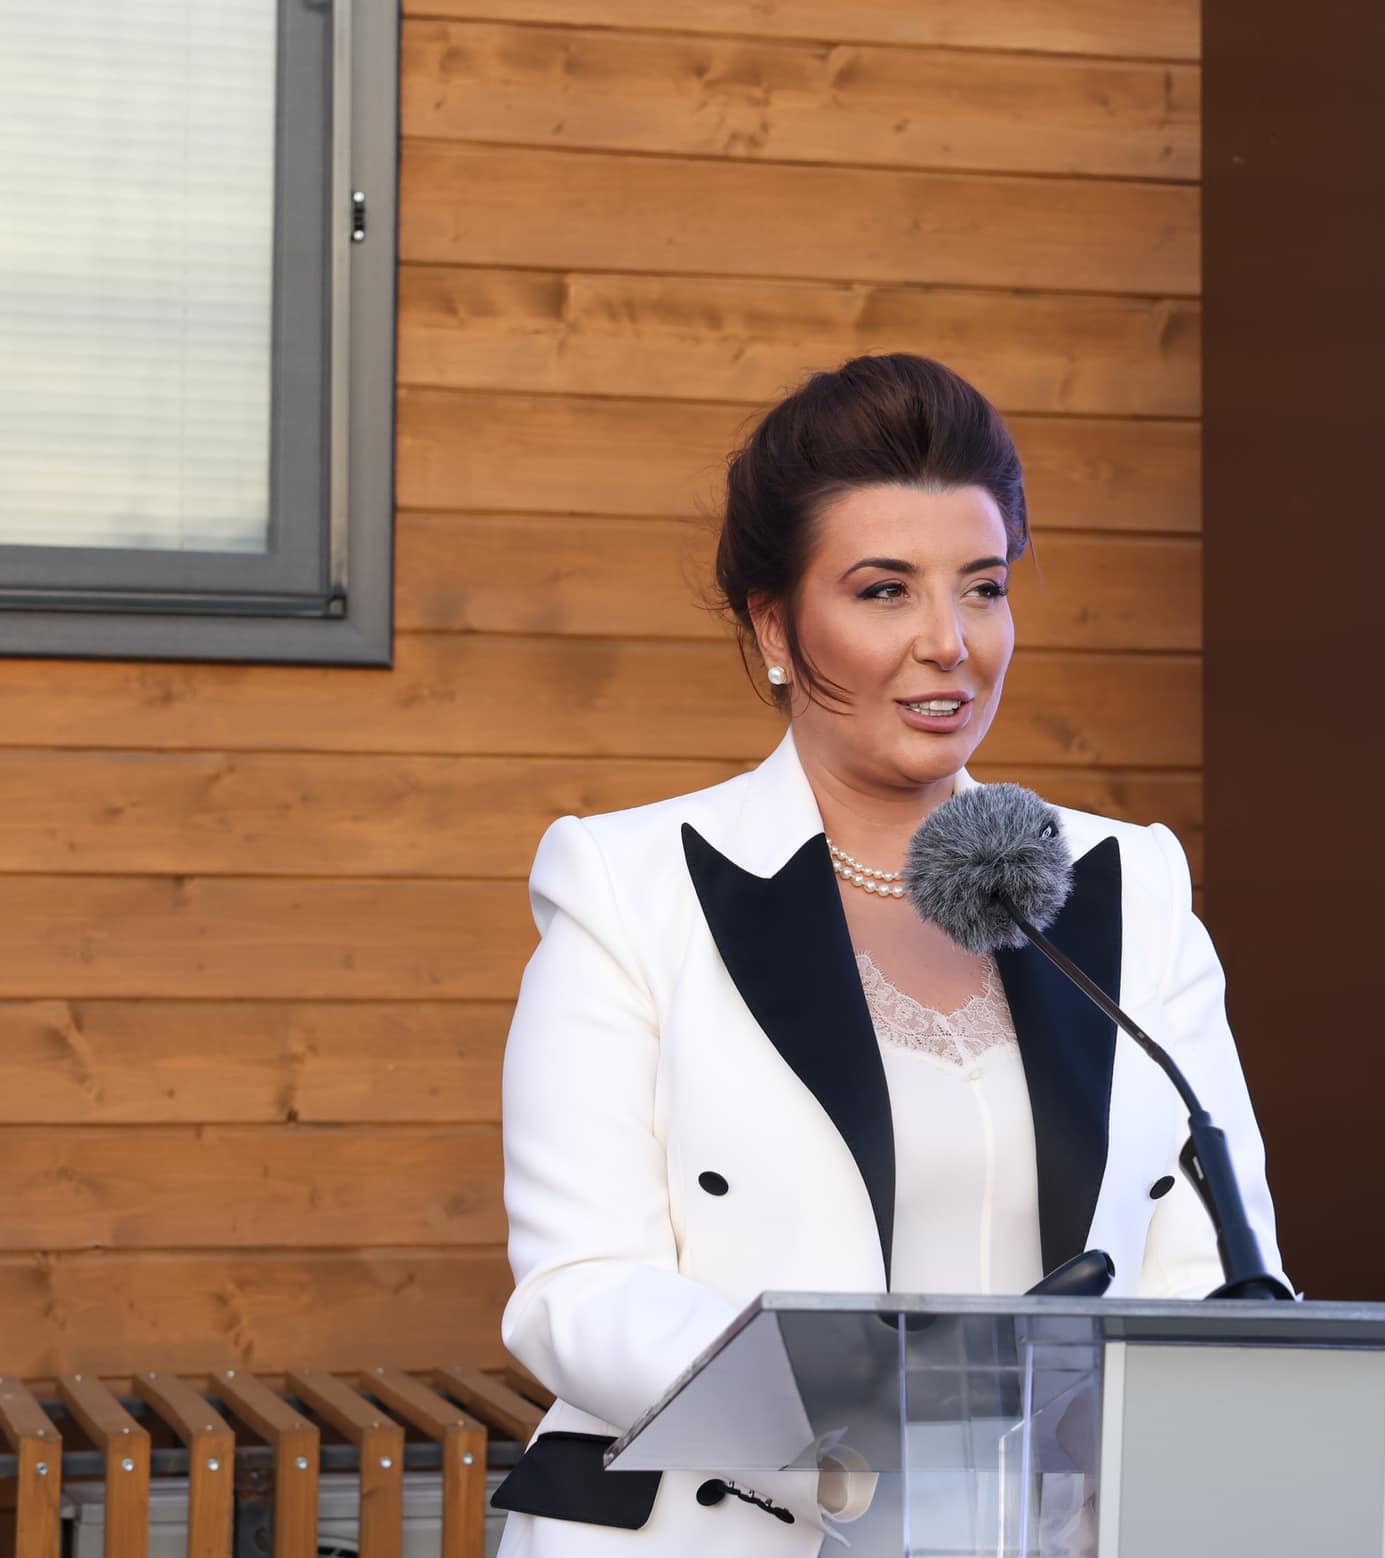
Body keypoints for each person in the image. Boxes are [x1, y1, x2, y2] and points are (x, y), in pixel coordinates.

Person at [488, 354, 1287, 1558]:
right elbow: (583, 1286)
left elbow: (1211, 1273)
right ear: (773, 623)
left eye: (982, 588)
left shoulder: (1127, 886)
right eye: (882, 591)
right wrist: (862, 1437)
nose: (947, 642)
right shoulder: (628, 885)